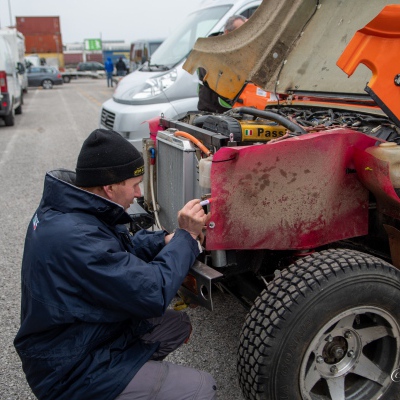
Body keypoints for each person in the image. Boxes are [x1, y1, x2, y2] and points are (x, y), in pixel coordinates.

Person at [14, 129, 217, 400]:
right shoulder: (76, 238)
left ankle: (132, 380)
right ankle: (112, 388)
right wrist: (187, 237)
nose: (138, 193)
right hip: (69, 370)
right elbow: (152, 292)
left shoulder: (71, 211)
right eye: (134, 184)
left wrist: (165, 241)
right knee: (202, 387)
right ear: (109, 187)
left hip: (84, 337)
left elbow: (118, 253)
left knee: (177, 325)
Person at [198, 15, 248, 113]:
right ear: (227, 33)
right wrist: (239, 100)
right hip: (212, 111)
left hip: (234, 111)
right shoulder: (209, 51)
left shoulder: (239, 50)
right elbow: (216, 82)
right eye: (240, 33)